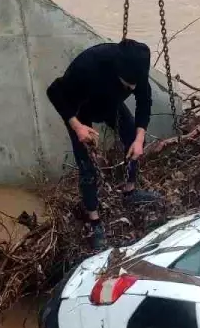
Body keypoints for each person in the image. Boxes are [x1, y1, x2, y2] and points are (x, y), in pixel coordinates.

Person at [46, 39, 161, 248]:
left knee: (131, 139)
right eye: (128, 84)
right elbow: (54, 91)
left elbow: (144, 102)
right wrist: (77, 127)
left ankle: (130, 191)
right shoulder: (89, 65)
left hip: (110, 105)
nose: (132, 88)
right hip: (79, 111)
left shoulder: (138, 68)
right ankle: (94, 220)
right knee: (87, 166)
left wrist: (139, 139)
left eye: (135, 84)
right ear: (118, 72)